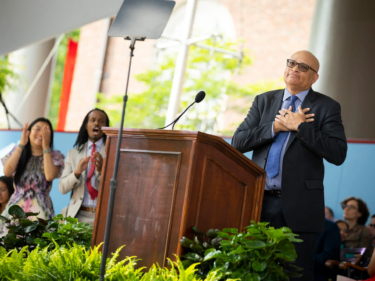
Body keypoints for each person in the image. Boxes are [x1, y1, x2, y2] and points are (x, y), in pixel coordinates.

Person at [231, 50, 347, 280]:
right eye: (291, 63)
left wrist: (301, 128)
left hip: (300, 209)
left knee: (294, 275)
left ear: (314, 77)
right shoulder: (264, 100)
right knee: (253, 273)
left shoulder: (327, 107)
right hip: (258, 203)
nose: (294, 68)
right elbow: (238, 142)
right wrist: (274, 128)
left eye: (303, 67)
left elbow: (337, 153)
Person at [1, 118, 65, 219]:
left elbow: (49, 176)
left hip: (41, 210)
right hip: (16, 208)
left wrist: (46, 148)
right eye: (38, 129)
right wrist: (21, 144)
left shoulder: (55, 156)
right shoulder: (18, 152)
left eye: (45, 131)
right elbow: (7, 172)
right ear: (29, 132)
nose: (41, 133)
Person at [59, 108, 110, 226]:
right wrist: (77, 172)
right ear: (86, 126)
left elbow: (117, 190)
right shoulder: (73, 153)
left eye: (101, 121)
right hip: (77, 216)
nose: (96, 123)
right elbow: (62, 188)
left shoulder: (112, 153)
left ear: (106, 128)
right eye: (93, 120)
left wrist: (102, 171)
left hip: (101, 217)